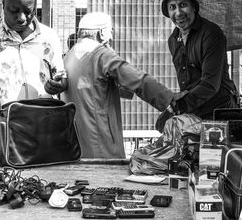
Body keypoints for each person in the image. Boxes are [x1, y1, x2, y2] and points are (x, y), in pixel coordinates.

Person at [62, 12, 175, 159]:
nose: (112, 38)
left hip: (76, 145)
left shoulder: (69, 56)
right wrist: (170, 101)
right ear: (101, 33)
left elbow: (99, 87)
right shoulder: (101, 55)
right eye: (110, 32)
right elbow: (137, 80)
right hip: (102, 144)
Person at [160, 0, 240, 121]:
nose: (178, 13)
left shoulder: (211, 34)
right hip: (194, 113)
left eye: (183, 5)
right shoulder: (173, 40)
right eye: (172, 7)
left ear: (194, 8)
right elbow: (186, 82)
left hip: (220, 111)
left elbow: (210, 85)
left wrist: (178, 107)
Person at [0, 0, 67, 107]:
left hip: (42, 119)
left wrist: (59, 84)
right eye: (14, 10)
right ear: (4, 3)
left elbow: (61, 77)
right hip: (3, 122)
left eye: (28, 11)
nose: (21, 18)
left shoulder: (49, 36)